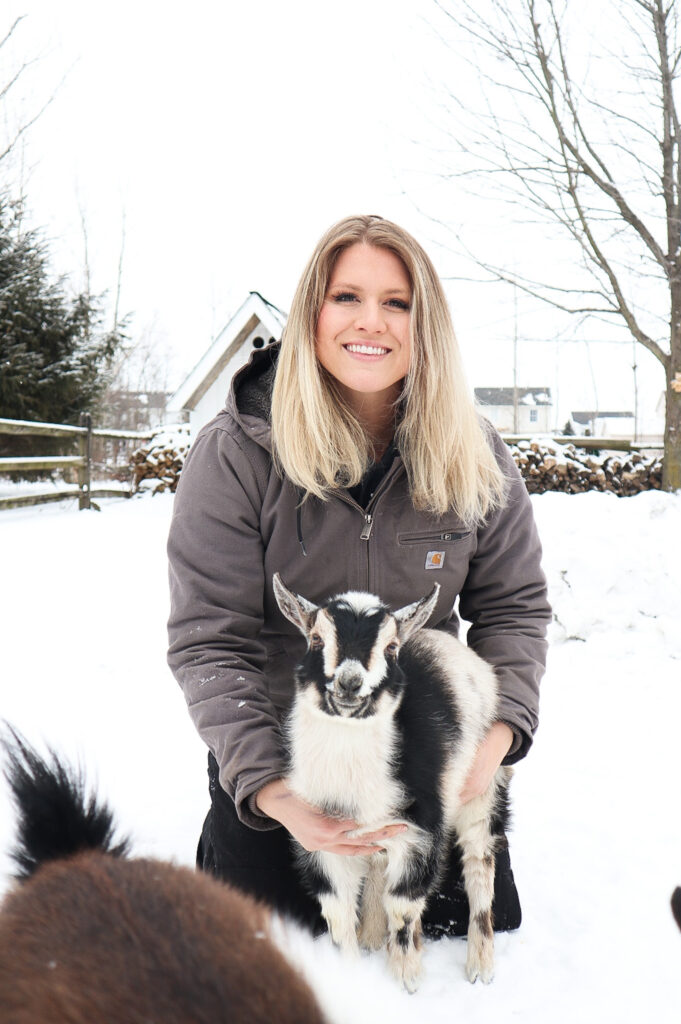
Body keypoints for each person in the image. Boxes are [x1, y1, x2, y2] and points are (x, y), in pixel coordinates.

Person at [167, 214, 551, 937]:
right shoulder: (234, 453)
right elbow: (207, 642)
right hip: (287, 748)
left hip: (420, 742)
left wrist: (492, 742)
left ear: (423, 321)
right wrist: (269, 790)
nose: (369, 321)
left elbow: (515, 606)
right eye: (346, 297)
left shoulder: (473, 451)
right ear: (312, 311)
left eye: (396, 302)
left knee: (459, 923)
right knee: (276, 933)